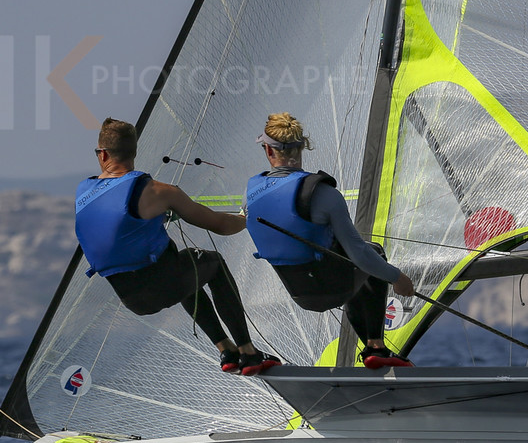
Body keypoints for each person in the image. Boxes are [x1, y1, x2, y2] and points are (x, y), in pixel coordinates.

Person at [76, 117, 278, 375]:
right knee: (211, 262)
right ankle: (248, 351)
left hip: (133, 301)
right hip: (165, 284)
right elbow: (220, 225)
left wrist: (155, 218)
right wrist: (244, 219)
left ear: (102, 154)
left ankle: (226, 349)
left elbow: (117, 220)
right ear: (134, 152)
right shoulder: (159, 192)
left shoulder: (83, 193)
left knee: (182, 264)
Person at [246, 112, 416, 369]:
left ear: (268, 151)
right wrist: (397, 278)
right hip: (335, 288)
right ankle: (375, 347)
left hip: (299, 294)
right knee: (372, 253)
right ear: (303, 146)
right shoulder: (324, 194)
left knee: (347, 260)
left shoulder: (250, 196)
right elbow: (359, 254)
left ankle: (373, 350)